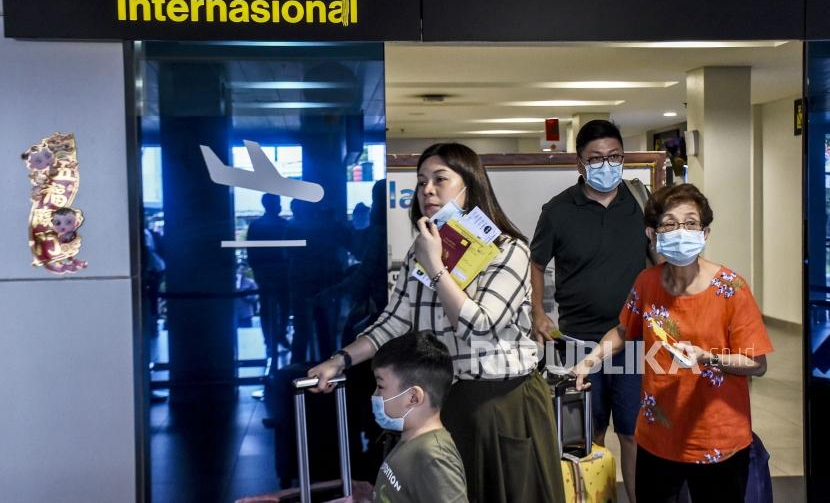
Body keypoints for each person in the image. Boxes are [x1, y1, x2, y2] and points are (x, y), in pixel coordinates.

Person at [309, 143, 565, 503]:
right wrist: (340, 360)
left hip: (501, 403)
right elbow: (394, 321)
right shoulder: (422, 249)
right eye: (421, 181)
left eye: (440, 179)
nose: (427, 189)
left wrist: (436, 267)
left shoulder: (508, 249)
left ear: (469, 187)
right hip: (445, 401)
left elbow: (480, 325)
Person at [573, 183, 773, 503]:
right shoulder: (648, 281)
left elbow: (757, 363)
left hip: (717, 440)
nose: (681, 231)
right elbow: (624, 331)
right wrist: (588, 361)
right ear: (653, 234)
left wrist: (710, 358)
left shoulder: (731, 288)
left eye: (691, 223)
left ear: (705, 233)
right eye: (669, 224)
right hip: (658, 436)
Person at [529, 119, 648, 501]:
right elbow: (535, 263)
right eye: (596, 158)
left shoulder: (642, 204)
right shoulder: (558, 210)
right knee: (583, 436)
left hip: (633, 341)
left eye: (614, 156)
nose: (607, 164)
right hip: (575, 341)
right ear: (579, 163)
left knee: (633, 432)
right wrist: (537, 313)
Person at [370, 331, 467, 503]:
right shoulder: (411, 441)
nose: (375, 395)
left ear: (413, 397)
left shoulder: (434, 458)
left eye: (380, 386)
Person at [247, 193, 290, 356]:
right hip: (282, 271)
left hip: (264, 271)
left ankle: (269, 340)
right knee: (285, 305)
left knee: (266, 307)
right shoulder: (284, 224)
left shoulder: (256, 225)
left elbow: (251, 251)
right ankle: (280, 334)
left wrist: (257, 270)